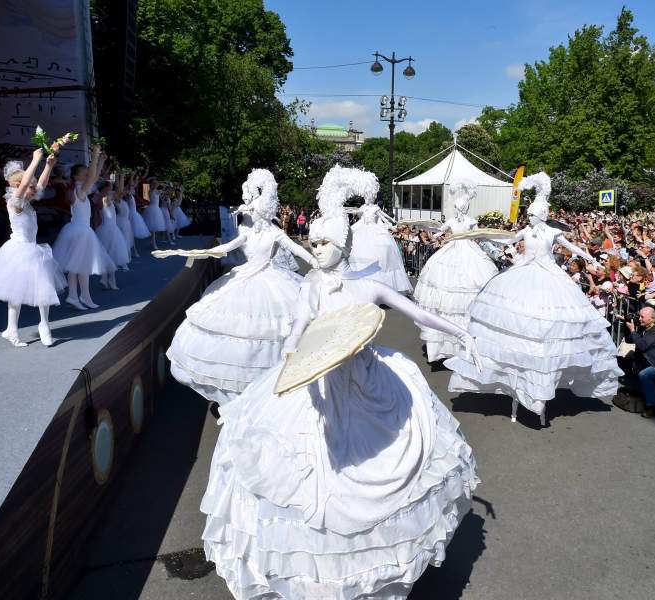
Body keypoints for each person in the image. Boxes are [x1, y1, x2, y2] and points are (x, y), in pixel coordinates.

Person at [200, 165, 481, 599]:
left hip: (368, 381)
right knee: (299, 473)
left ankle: (374, 573)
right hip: (318, 382)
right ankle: (314, 577)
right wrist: (292, 355)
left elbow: (417, 313)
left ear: (344, 242)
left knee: (389, 461)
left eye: (325, 242)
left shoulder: (368, 286)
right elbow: (297, 327)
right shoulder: (311, 285)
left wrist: (462, 333)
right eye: (314, 242)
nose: (317, 249)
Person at [446, 172, 622, 426]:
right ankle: (518, 382)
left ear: (541, 215)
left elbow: (571, 247)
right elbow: (509, 238)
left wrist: (590, 257)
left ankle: (543, 383)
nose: (528, 217)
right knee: (516, 323)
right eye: (528, 214)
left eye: (532, 214)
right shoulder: (526, 231)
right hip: (522, 274)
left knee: (551, 324)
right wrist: (483, 236)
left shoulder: (551, 232)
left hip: (549, 278)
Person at [166, 169, 318, 406]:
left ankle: (269, 389)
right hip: (245, 277)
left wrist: (317, 263)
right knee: (237, 330)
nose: (249, 215)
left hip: (271, 281)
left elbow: (298, 250)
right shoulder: (246, 232)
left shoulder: (275, 233)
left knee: (271, 331)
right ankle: (240, 395)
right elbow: (227, 247)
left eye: (253, 211)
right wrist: (203, 252)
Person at [0, 149, 66, 346]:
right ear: (18, 186)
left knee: (43, 287)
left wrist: (48, 165)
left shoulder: (27, 202)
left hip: (33, 249)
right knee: (16, 294)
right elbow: (27, 184)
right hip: (19, 251)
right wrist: (35, 160)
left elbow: (41, 185)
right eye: (30, 186)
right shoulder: (15, 202)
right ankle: (12, 329)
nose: (34, 188)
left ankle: (44, 326)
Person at [413, 177, 498, 362]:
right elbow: (439, 231)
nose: (458, 210)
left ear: (465, 207)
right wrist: (426, 229)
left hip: (470, 254)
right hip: (450, 252)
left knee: (468, 289)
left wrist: (494, 246)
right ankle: (444, 344)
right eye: (457, 208)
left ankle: (467, 341)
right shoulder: (452, 221)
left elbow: (480, 236)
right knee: (445, 290)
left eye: (460, 207)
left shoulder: (470, 221)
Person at [51, 146, 115, 310]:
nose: (88, 174)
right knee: (82, 266)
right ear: (76, 176)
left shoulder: (77, 189)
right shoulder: (80, 189)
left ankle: (75, 296)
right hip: (81, 231)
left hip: (76, 230)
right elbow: (93, 177)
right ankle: (82, 296)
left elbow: (95, 176)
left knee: (75, 266)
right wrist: (94, 155)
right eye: (85, 172)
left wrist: (101, 160)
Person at [348, 176, 414, 293]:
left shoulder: (375, 208)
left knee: (380, 256)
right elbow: (358, 217)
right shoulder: (363, 208)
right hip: (362, 231)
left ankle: (382, 290)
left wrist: (392, 223)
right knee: (360, 254)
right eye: (367, 196)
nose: (369, 198)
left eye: (370, 196)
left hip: (375, 231)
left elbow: (384, 217)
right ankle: (362, 286)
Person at [94, 180, 131, 287]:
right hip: (110, 229)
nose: (112, 188)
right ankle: (109, 279)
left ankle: (106, 279)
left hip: (107, 229)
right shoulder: (105, 198)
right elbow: (97, 214)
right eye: (110, 186)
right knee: (111, 255)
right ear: (106, 188)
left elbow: (97, 215)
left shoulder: (103, 198)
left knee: (108, 254)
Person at [142, 176, 166, 250]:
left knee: (154, 229)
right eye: (154, 184)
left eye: (156, 183)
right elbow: (146, 198)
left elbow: (164, 189)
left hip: (156, 209)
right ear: (151, 184)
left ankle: (153, 241)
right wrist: (149, 185)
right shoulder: (147, 190)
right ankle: (153, 242)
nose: (155, 185)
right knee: (152, 228)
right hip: (150, 209)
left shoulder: (158, 191)